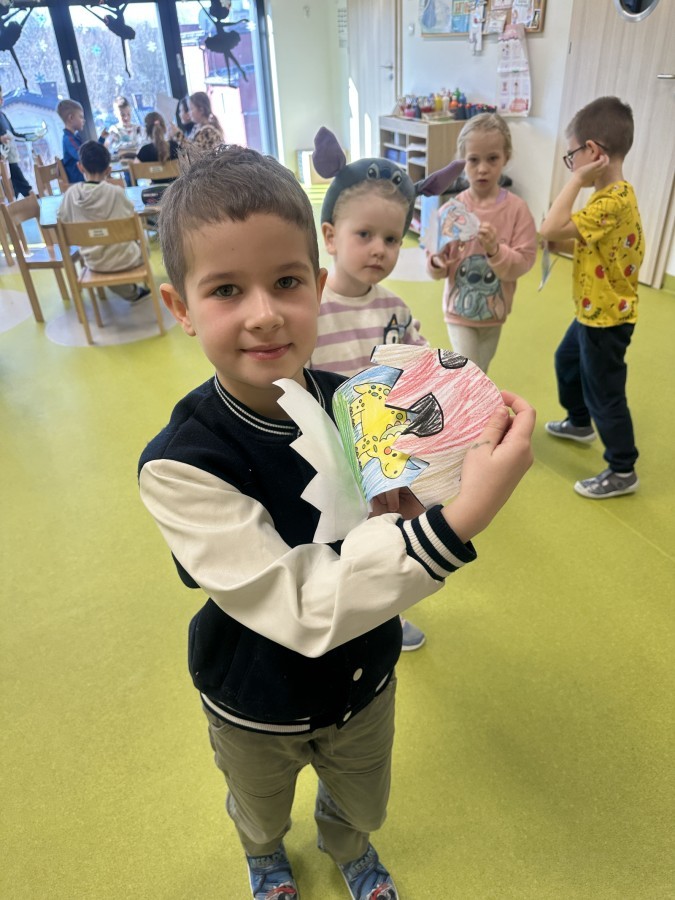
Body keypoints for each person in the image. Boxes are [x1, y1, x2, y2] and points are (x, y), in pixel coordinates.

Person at [138, 145, 535, 900]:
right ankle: (264, 856)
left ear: (319, 288)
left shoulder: (351, 399)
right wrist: (462, 519)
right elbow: (298, 603)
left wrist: (439, 473)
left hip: (364, 681)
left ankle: (349, 846)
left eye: (287, 282)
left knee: (361, 796)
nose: (264, 313)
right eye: (226, 290)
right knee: (259, 805)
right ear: (181, 308)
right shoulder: (179, 466)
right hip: (252, 700)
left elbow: (393, 506)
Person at [308, 136, 433, 652]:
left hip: (384, 451)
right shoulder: (312, 308)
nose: (380, 248)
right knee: (334, 536)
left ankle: (387, 615)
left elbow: (419, 363)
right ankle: (336, 609)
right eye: (365, 234)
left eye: (392, 238)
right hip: (328, 451)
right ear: (331, 236)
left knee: (388, 533)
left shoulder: (395, 308)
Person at [540, 96, 643, 499]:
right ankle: (579, 421)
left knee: (606, 394)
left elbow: (550, 227)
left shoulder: (611, 201)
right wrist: (564, 244)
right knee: (566, 361)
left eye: (572, 157)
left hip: (606, 318)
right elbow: (592, 246)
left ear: (593, 152)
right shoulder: (610, 198)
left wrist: (575, 181)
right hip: (592, 310)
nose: (572, 165)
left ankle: (623, 468)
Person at [426, 113, 537, 373]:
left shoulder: (517, 210)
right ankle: (462, 400)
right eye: (473, 160)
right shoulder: (450, 211)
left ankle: (472, 399)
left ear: (506, 157)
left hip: (494, 312)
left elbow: (524, 261)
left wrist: (495, 251)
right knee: (470, 372)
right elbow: (432, 260)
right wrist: (438, 262)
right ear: (462, 161)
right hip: (458, 311)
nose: (483, 168)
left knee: (481, 371)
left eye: (492, 159)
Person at [57, 140, 149, 303]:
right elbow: (131, 219)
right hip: (127, 259)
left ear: (80, 167)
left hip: (94, 262)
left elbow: (62, 218)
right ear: (109, 170)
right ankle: (133, 291)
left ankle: (131, 292)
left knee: (104, 248)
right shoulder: (116, 192)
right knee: (142, 240)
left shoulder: (71, 194)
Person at [56, 98, 107, 184]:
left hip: (84, 177)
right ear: (71, 118)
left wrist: (101, 139)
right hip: (79, 181)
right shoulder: (69, 139)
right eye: (81, 117)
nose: (84, 120)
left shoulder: (74, 137)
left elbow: (87, 154)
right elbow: (84, 157)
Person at [0, 84, 33, 198]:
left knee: (15, 183)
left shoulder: (2, 115)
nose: (1, 100)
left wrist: (29, 136)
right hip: (2, 159)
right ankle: (30, 195)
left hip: (10, 156)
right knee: (19, 181)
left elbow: (13, 134)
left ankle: (27, 196)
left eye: (1, 97)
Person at [134, 112, 180, 181]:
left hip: (155, 187)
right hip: (177, 187)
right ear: (164, 127)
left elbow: (135, 169)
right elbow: (187, 164)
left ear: (147, 131)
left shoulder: (144, 150)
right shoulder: (175, 145)